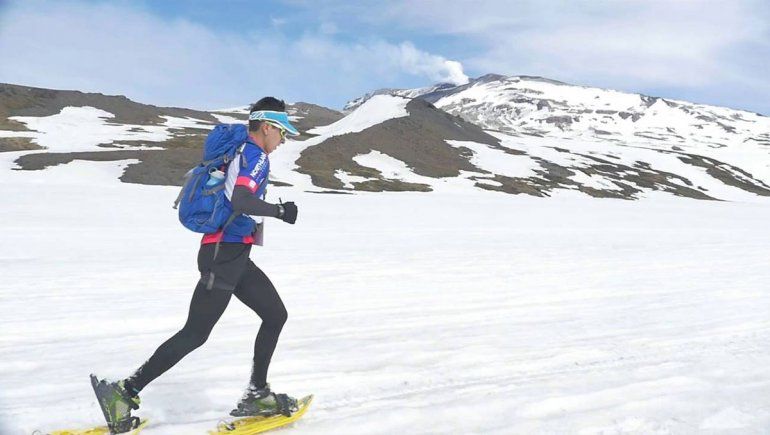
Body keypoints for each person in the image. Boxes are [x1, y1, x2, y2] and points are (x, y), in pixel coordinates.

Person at [91, 97, 302, 431]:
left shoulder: (240, 151)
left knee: (275, 314)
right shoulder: (255, 154)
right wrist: (279, 211)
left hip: (232, 254)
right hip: (224, 254)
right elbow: (241, 199)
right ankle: (124, 391)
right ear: (266, 127)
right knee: (195, 333)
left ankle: (257, 393)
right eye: (281, 133)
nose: (282, 140)